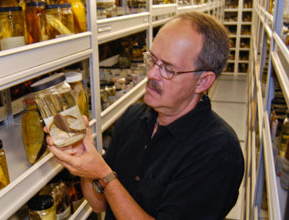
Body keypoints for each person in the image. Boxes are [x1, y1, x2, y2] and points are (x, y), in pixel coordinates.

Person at [46, 11, 245, 220]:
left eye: (168, 69)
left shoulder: (218, 153)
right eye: (152, 59)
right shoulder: (134, 117)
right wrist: (84, 162)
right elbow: (98, 203)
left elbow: (105, 181)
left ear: (203, 81)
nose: (151, 74)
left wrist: (102, 173)